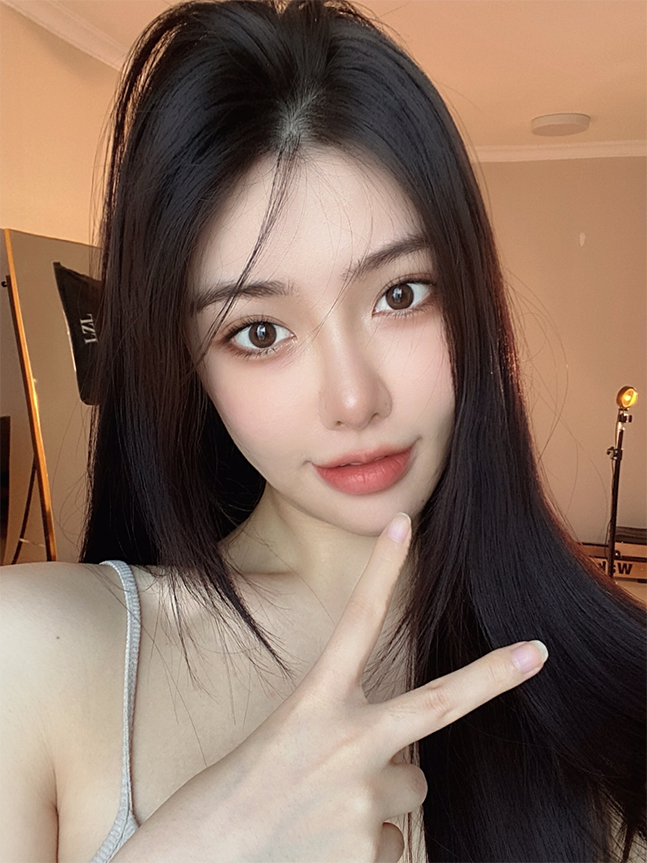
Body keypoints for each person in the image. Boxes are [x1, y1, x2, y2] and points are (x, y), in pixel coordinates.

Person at [1, 0, 646, 861]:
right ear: (188, 363)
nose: (351, 399)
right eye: (258, 331)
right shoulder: (32, 657)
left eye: (400, 294)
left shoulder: (616, 685)